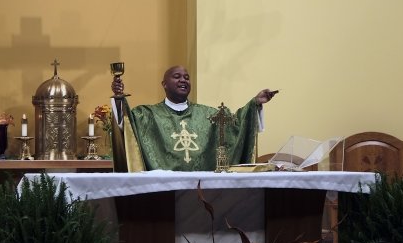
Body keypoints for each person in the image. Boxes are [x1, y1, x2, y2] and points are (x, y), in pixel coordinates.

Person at [111, 65, 278, 171]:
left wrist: (255, 104)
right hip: (164, 192)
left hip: (204, 189)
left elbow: (237, 125)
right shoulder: (147, 115)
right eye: (177, 76)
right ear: (164, 84)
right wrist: (119, 98)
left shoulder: (209, 115)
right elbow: (127, 126)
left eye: (186, 77)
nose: (183, 80)